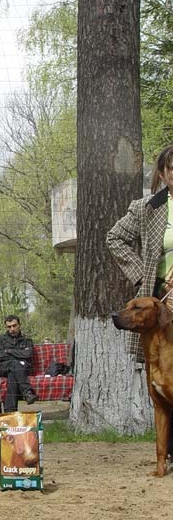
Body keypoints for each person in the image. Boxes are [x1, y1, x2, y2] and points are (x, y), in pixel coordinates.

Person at [107, 144, 173, 365]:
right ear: (163, 174)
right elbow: (114, 238)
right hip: (164, 299)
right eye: (171, 168)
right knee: (163, 369)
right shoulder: (146, 208)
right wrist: (141, 274)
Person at [0, 315, 38, 412]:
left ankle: (10, 412)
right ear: (6, 327)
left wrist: (9, 351)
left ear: (19, 325)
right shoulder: (0, 339)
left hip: (21, 368)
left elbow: (28, 354)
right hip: (3, 368)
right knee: (14, 364)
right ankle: (27, 392)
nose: (12, 329)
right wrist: (19, 355)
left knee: (12, 374)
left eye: (14, 326)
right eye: (9, 327)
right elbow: (0, 355)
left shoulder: (27, 340)